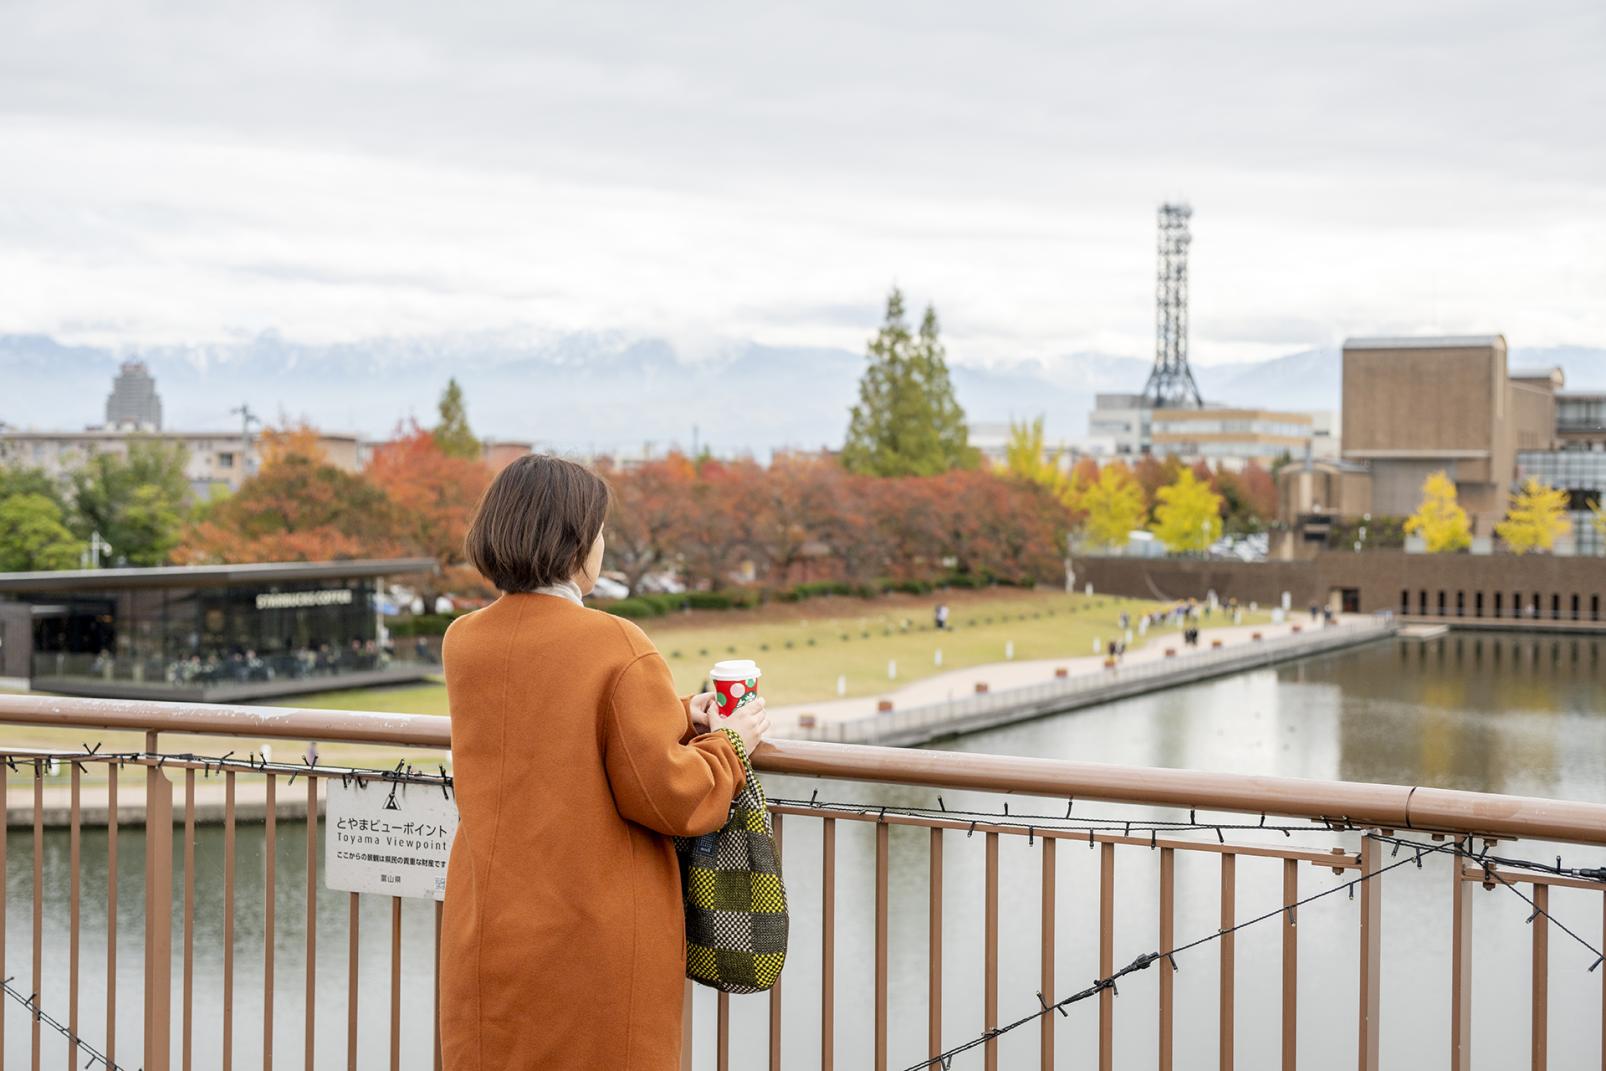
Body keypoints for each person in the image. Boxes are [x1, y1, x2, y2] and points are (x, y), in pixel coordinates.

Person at [439, 454, 770, 1071]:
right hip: (590, 930)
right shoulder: (614, 641)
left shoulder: (465, 640)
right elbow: (670, 795)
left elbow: (548, 721)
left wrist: (672, 711)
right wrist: (730, 746)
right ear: (573, 542)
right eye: (598, 530)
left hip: (488, 921)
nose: (601, 544)